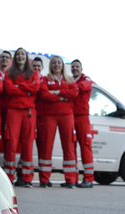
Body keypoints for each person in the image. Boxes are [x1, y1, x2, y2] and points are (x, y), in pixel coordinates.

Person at [38, 56, 78, 188]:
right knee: (46, 146)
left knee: (69, 147)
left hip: (67, 116)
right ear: (50, 65)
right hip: (49, 116)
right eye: (54, 63)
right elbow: (44, 94)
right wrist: (63, 97)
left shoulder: (69, 79)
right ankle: (44, 179)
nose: (56, 65)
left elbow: (74, 93)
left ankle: (70, 180)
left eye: (59, 63)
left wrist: (56, 92)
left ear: (62, 65)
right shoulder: (45, 79)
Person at [3, 47, 40, 188]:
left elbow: (35, 88)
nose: (20, 56)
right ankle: (9, 177)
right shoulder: (9, 72)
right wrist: (26, 88)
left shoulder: (34, 73)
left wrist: (18, 86)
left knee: (28, 145)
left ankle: (26, 178)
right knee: (11, 144)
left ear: (26, 57)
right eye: (18, 54)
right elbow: (9, 89)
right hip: (14, 111)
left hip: (29, 112)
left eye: (22, 54)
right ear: (15, 57)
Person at [14, 57, 47, 187]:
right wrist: (27, 88)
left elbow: (41, 92)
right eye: (34, 66)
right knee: (25, 147)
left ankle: (44, 178)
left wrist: (24, 88)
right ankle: (21, 174)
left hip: (42, 117)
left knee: (35, 147)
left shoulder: (45, 80)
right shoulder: (28, 78)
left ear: (42, 68)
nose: (36, 68)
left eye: (39, 66)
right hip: (28, 114)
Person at [71, 59, 95, 188]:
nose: (75, 68)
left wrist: (67, 88)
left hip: (82, 117)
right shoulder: (69, 80)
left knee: (85, 146)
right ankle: (73, 179)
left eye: (77, 67)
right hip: (70, 116)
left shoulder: (86, 79)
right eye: (73, 67)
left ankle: (88, 179)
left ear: (81, 69)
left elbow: (81, 87)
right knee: (71, 147)